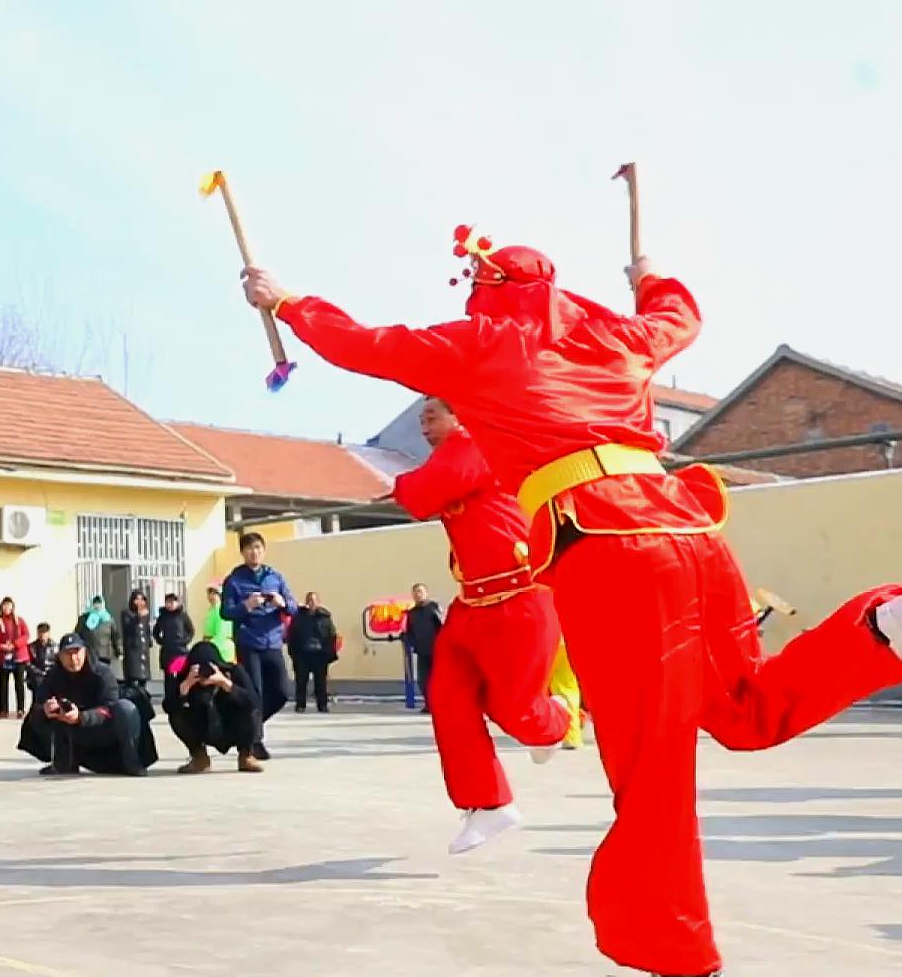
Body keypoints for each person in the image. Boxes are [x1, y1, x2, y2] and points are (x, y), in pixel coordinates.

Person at [244, 232, 902, 977]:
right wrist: (651, 278)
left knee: (651, 771)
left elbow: (368, 345)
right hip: (689, 527)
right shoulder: (617, 336)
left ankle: (676, 957)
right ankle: (878, 631)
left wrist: (287, 301)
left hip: (609, 547)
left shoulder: (488, 343)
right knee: (746, 709)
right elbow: (681, 317)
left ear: (487, 289)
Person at [390, 398, 574, 854]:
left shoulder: (475, 445)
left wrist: (404, 484)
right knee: (449, 700)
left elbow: (417, 495)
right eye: (421, 418)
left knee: (517, 712)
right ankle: (488, 803)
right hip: (472, 604)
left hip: (518, 601)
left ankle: (561, 718)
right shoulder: (455, 457)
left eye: (433, 415)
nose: (424, 424)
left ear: (461, 415)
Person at [18, 632, 154, 776]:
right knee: (41, 715)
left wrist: (81, 717)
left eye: (77, 653)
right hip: (77, 736)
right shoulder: (53, 675)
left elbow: (108, 709)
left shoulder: (102, 673)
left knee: (125, 708)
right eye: (68, 654)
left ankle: (131, 762)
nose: (73, 659)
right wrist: (46, 710)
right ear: (60, 656)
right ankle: (64, 763)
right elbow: (37, 707)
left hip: (105, 732)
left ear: (84, 652)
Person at [220, 533, 293, 760]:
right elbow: (226, 612)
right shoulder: (234, 580)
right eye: (250, 549)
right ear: (242, 552)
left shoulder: (275, 577)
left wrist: (282, 603)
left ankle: (247, 725)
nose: (255, 552)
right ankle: (255, 742)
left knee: (282, 692)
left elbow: (294, 607)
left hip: (272, 641)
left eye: (259, 548)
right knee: (255, 692)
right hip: (249, 642)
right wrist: (246, 605)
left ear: (264, 550)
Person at [166, 640, 262, 773]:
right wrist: (185, 686)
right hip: (203, 725)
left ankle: (246, 755)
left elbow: (254, 702)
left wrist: (226, 683)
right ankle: (199, 757)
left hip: (231, 725)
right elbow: (169, 707)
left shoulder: (234, 672)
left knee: (251, 710)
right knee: (176, 716)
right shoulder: (184, 677)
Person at [288, 591, 338, 714]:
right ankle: (300, 705)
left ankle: (322, 705)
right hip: (302, 655)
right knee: (301, 682)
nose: (312, 603)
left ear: (318, 603)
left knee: (321, 682)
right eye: (309, 601)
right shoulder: (299, 618)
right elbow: (292, 636)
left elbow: (331, 636)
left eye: (314, 601)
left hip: (319, 655)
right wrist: (294, 654)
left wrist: (329, 653)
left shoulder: (325, 618)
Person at [403, 584, 445, 713]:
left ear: (426, 593)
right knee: (423, 680)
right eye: (415, 592)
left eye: (420, 592)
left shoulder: (433, 608)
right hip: (422, 651)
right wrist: (412, 642)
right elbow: (408, 631)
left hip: (436, 650)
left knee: (438, 679)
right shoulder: (412, 613)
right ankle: (429, 704)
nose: (418, 594)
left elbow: (443, 626)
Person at [0, 596, 31, 719]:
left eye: (9, 605)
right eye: (4, 605)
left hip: (18, 656)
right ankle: (3, 710)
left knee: (19, 684)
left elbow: (26, 635)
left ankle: (20, 709)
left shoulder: (19, 621)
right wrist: (1, 646)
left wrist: (15, 645)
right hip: (4, 657)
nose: (7, 608)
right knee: (3, 685)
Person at [152, 591, 196, 678]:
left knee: (180, 677)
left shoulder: (183, 616)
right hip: (167, 653)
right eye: (168, 602)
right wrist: (162, 641)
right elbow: (155, 632)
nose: (170, 604)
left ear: (177, 603)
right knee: (169, 679)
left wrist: (183, 641)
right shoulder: (163, 617)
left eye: (172, 602)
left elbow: (191, 631)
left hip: (180, 652)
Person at [117, 590, 153, 694]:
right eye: (137, 599)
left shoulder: (146, 615)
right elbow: (129, 628)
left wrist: (149, 642)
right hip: (132, 653)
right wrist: (139, 616)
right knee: (132, 683)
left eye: (142, 599)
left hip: (143, 652)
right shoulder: (126, 613)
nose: (139, 602)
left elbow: (147, 630)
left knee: (143, 682)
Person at [73, 595, 116, 668]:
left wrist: (118, 651)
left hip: (104, 655)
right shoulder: (84, 618)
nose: (97, 605)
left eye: (99, 603)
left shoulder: (108, 619)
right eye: (95, 603)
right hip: (88, 654)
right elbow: (77, 635)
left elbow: (114, 635)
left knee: (103, 675)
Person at [200, 583, 235, 663]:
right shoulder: (211, 610)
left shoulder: (220, 610)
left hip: (221, 649)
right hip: (212, 646)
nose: (210, 596)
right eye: (209, 593)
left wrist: (208, 647)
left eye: (214, 593)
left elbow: (221, 633)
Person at [27, 622, 57, 693]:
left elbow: (58, 662)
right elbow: (28, 663)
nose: (42, 635)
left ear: (48, 633)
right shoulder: (31, 647)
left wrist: (49, 673)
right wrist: (40, 672)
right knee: (38, 682)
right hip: (36, 675)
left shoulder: (55, 647)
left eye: (44, 632)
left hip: (51, 675)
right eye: (40, 632)